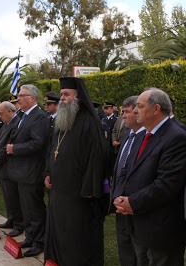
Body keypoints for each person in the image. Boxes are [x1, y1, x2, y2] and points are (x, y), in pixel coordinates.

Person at [113, 88, 186, 266]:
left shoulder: (176, 137)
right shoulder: (144, 134)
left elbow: (167, 185)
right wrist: (123, 199)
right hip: (139, 223)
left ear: (156, 109)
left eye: (139, 106)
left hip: (162, 229)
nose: (135, 110)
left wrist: (132, 202)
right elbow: (132, 171)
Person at [44, 77, 107, 265]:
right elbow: (52, 149)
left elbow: (97, 158)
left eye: (66, 95)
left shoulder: (90, 121)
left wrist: (90, 188)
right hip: (58, 189)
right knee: (58, 229)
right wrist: (48, 172)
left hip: (78, 193)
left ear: (78, 98)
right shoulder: (63, 121)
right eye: (61, 94)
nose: (62, 98)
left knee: (75, 235)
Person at [6, 84, 49, 257]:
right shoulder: (23, 116)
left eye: (22, 95)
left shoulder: (39, 117)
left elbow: (38, 143)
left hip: (32, 171)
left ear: (32, 98)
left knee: (35, 208)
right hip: (21, 171)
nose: (18, 99)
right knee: (26, 207)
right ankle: (30, 237)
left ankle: (39, 241)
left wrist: (15, 148)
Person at [109, 96, 144, 266]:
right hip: (120, 203)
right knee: (124, 248)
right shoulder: (128, 135)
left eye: (127, 112)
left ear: (139, 113)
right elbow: (119, 170)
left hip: (135, 206)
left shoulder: (146, 139)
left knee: (139, 252)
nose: (123, 116)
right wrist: (116, 196)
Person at [0, 101, 23, 237]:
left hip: (10, 166)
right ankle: (11, 219)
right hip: (2, 167)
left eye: (1, 113)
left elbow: (9, 145)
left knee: (14, 197)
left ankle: (19, 224)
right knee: (7, 196)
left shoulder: (17, 123)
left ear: (10, 111)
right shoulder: (5, 124)